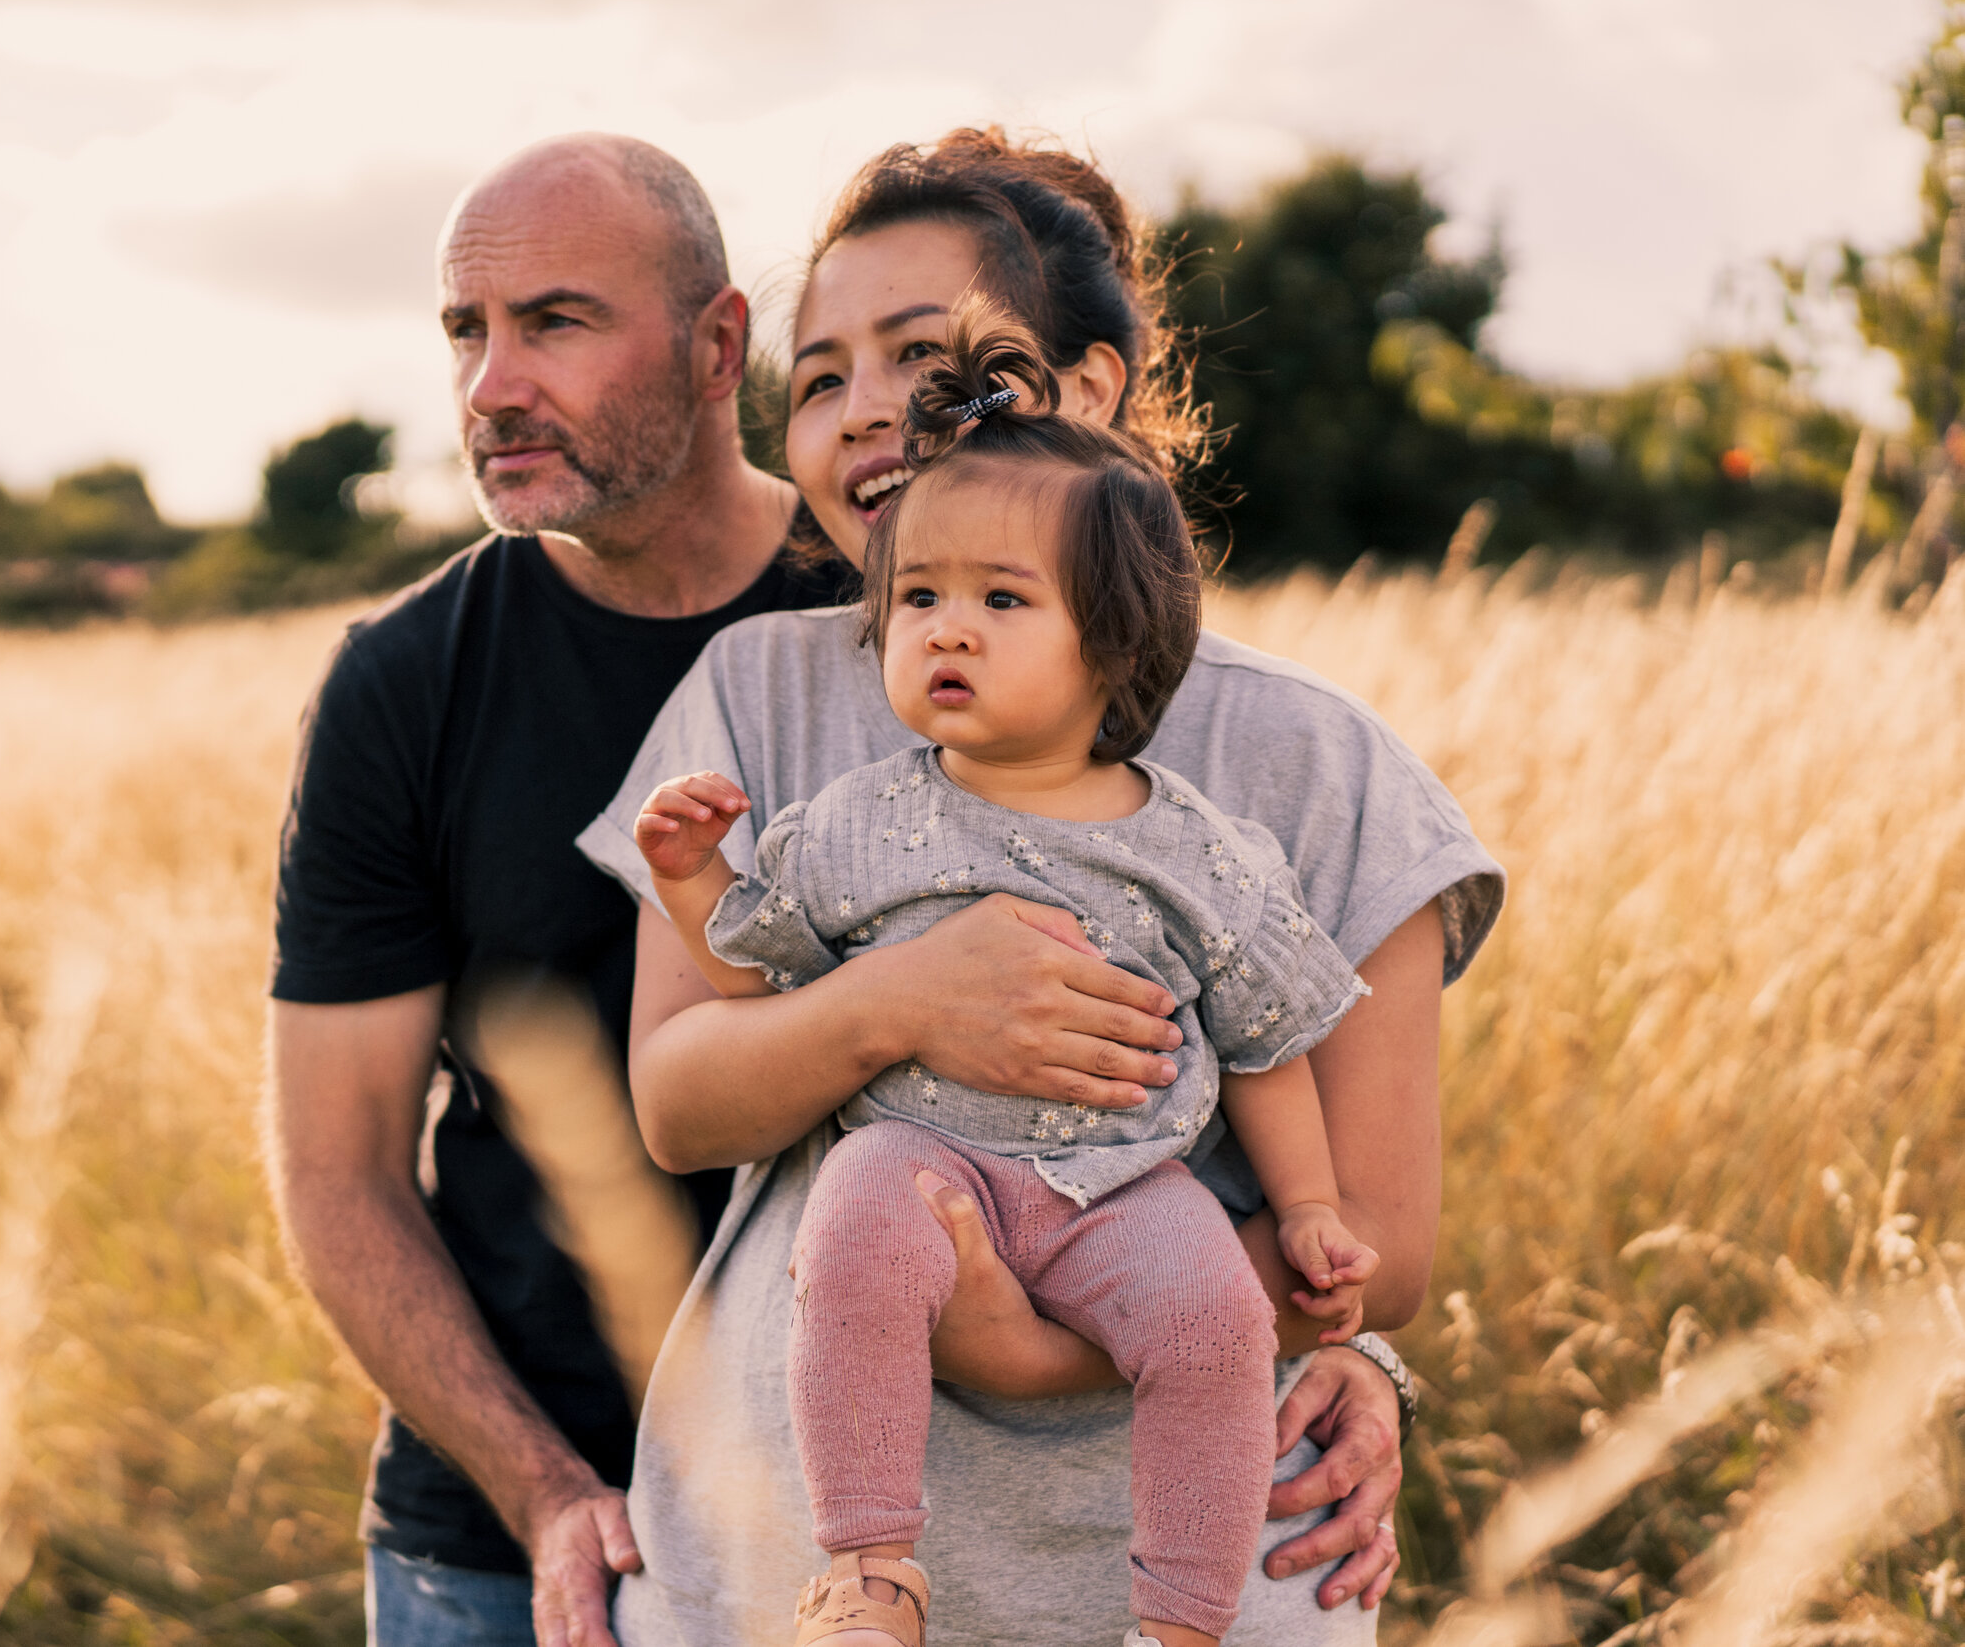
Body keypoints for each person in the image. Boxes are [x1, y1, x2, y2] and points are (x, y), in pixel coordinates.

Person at [576, 129, 1505, 1647]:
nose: (869, 410)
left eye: (933, 365)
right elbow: (682, 1105)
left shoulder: (1316, 762)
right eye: (819, 380)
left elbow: (1378, 1246)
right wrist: (897, 1003)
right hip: (777, 1585)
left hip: (1177, 1581)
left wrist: (1016, 1345)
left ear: (1090, 392)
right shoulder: (755, 696)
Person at [264, 133, 844, 1647]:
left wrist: (1345, 1360)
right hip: (511, 1559)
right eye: (466, 330)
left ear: (721, 345)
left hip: (883, 1540)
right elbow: (338, 1172)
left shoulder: (906, 616)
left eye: (556, 322)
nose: (488, 387)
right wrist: (540, 1489)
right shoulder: (405, 686)